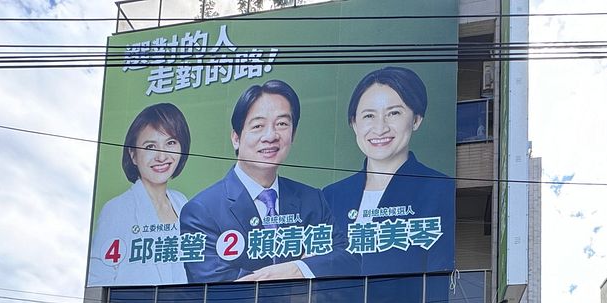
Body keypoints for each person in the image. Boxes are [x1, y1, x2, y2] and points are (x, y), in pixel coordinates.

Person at [181, 80, 354, 282]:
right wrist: (306, 269)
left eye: (282, 124)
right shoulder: (201, 211)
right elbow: (221, 286)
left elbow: (346, 261)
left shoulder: (312, 199)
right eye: (258, 126)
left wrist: (294, 269)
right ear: (236, 138)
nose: (271, 136)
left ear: (293, 133)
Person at [323, 66, 456, 275]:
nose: (380, 128)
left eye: (393, 113)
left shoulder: (441, 190)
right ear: (354, 124)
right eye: (368, 116)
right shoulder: (329, 196)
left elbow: (440, 280)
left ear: (416, 119)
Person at [88, 102, 192, 286]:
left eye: (170, 143)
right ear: (133, 155)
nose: (162, 156)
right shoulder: (116, 209)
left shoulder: (182, 203)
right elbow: (98, 280)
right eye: (150, 147)